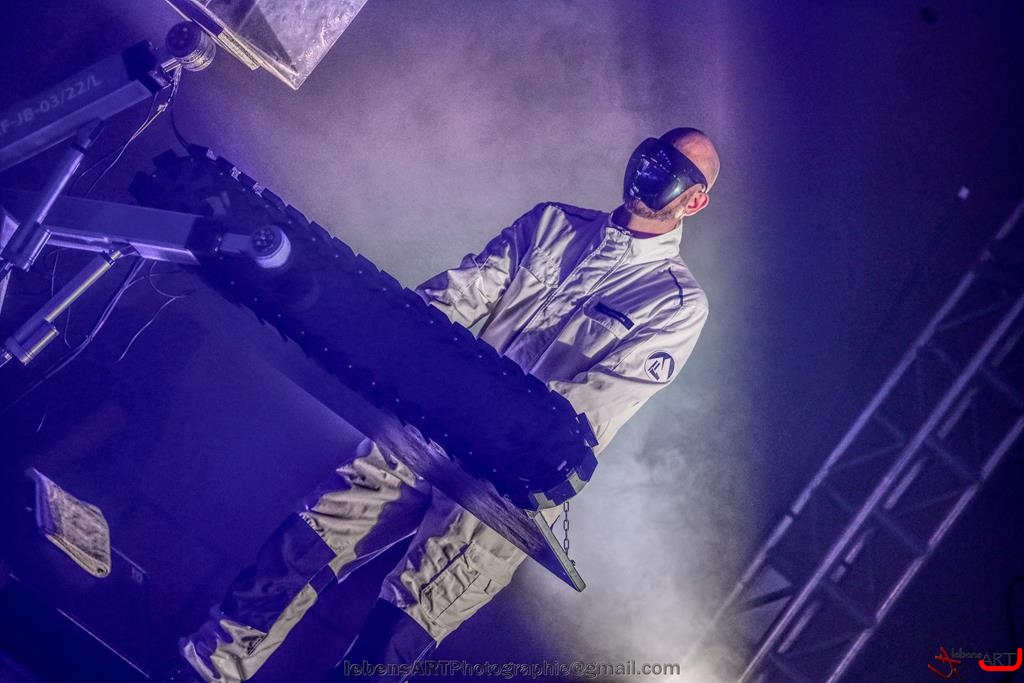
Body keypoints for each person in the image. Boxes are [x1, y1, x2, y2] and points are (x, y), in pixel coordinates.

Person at [167, 127, 720, 683]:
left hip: (508, 487)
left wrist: (500, 429)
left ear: (694, 200)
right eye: (654, 156)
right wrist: (393, 335)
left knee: (397, 630)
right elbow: (462, 292)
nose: (652, 172)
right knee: (302, 546)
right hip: (424, 426)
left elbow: (593, 408)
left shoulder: (675, 303)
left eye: (672, 169)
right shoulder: (553, 223)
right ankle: (205, 672)